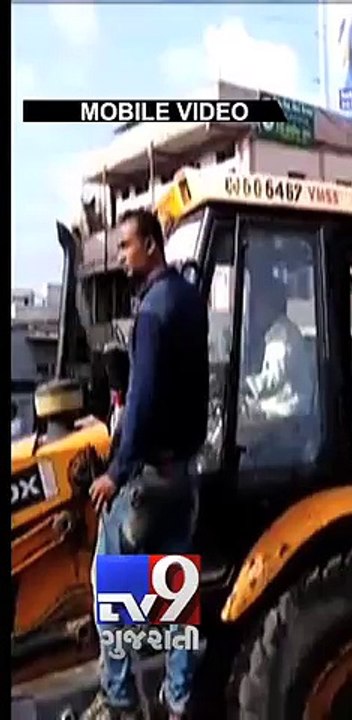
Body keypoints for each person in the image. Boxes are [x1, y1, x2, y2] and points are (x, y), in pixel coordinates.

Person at [82, 209, 208, 720]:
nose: (120, 255)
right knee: (174, 592)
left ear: (152, 245)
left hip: (147, 478)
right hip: (183, 475)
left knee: (109, 584)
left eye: (126, 245)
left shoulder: (154, 310)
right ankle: (179, 696)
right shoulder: (189, 300)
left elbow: (143, 398)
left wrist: (116, 470)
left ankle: (119, 696)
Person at [243, 272, 314, 419]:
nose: (256, 312)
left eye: (259, 306)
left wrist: (247, 385)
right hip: (281, 406)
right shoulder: (277, 331)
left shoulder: (282, 334)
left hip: (290, 411)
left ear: (271, 305)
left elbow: (275, 378)